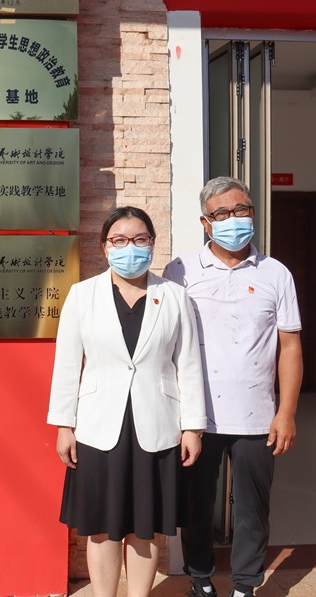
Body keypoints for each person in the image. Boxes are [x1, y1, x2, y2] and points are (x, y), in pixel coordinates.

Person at [47, 206, 208, 597]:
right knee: (101, 527)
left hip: (158, 424)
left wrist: (193, 427)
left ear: (152, 244)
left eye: (139, 239)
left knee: (145, 527)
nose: (129, 247)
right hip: (99, 426)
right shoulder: (83, 295)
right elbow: (67, 364)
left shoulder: (173, 296)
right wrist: (64, 425)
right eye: (119, 240)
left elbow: (188, 363)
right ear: (105, 247)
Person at [163, 177, 303, 597]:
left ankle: (245, 584)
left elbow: (290, 347)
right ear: (205, 222)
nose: (232, 219)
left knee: (252, 508)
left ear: (253, 214)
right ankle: (200, 580)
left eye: (240, 210)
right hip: (195, 416)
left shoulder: (276, 273)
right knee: (195, 503)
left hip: (257, 415)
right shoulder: (180, 271)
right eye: (221, 213)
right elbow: (166, 343)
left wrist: (286, 412)